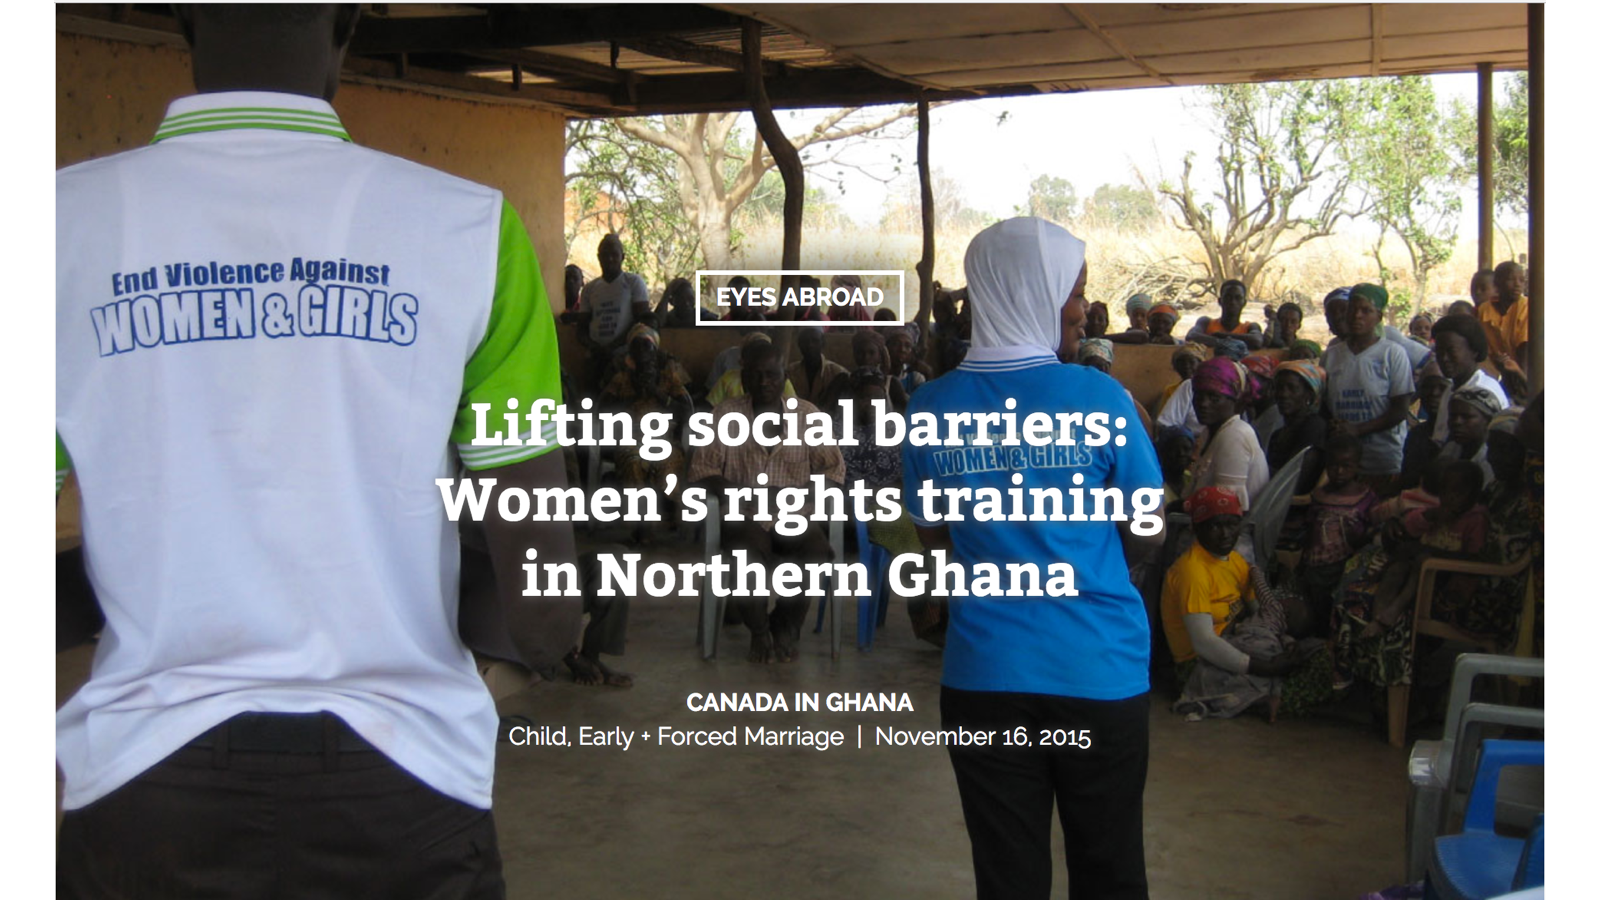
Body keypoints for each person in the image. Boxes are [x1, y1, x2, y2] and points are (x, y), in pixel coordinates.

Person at [54, 6, 576, 896]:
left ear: (184, 20)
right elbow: (547, 607)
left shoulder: (45, 227)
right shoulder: (471, 231)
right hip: (404, 788)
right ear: (347, 27)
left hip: (142, 796)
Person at [902, 217, 1162, 900]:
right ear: (1032, 290)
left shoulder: (929, 408)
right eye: (1072, 290)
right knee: (1109, 868)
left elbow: (936, 535)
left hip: (986, 675)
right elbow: (1147, 526)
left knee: (1008, 875)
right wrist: (1096, 566)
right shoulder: (1101, 399)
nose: (1081, 307)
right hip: (1098, 671)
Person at [688, 341, 845, 663]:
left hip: (795, 513)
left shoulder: (807, 415)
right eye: (755, 375)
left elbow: (834, 469)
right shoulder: (725, 414)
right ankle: (759, 631)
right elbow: (702, 470)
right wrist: (738, 492)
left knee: (816, 555)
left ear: (784, 376)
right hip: (745, 514)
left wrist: (803, 494)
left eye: (771, 375)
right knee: (744, 558)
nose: (763, 383)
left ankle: (784, 626)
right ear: (743, 377)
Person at [1160, 487, 1324, 721]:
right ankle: (1256, 700)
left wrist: (1284, 643)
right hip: (1201, 663)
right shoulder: (1192, 571)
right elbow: (1204, 643)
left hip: (1242, 644)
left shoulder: (1236, 562)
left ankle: (1254, 697)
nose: (1226, 534)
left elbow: (1261, 615)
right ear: (1196, 528)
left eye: (1232, 524)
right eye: (1215, 526)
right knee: (1287, 677)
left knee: (1319, 659)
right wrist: (1263, 667)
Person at [1321, 284, 1416, 485]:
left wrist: (1358, 429)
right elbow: (1324, 405)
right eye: (1352, 309)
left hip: (1382, 461)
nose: (1357, 316)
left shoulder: (1392, 354)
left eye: (1366, 310)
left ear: (1379, 317)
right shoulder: (1331, 356)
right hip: (1342, 463)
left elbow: (1400, 410)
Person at [1297, 434, 1377, 635]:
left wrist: (1359, 538)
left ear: (1358, 466)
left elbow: (1371, 534)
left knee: (1337, 607)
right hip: (1316, 564)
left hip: (1346, 566)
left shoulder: (1366, 498)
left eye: (1346, 466)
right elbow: (1311, 528)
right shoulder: (1320, 496)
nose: (1339, 471)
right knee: (1317, 606)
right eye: (1333, 465)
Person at [1184, 357, 1270, 512]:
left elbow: (1226, 507)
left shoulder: (1235, 435)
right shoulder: (1209, 432)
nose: (1203, 403)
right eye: (1199, 396)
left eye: (1214, 398)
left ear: (1236, 401)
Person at [1427, 313, 1508, 445]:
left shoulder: (1484, 391)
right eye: (1439, 352)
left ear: (1474, 351)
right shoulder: (1451, 389)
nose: (1444, 358)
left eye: (1451, 351)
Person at [1267, 359, 1328, 495]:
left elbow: (1294, 481)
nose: (1283, 394)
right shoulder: (1278, 434)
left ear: (1310, 395)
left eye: (1292, 388)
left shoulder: (1314, 427)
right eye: (1279, 388)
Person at [1435, 386, 1502, 486]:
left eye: (1467, 417)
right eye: (1453, 416)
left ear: (1488, 421)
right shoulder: (1451, 448)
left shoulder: (1493, 461)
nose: (1457, 422)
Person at [1477, 261, 1530, 365]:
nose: (1517, 285)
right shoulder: (1485, 309)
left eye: (1522, 280)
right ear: (1497, 283)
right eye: (1510, 279)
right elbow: (1484, 348)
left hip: (1523, 369)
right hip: (1496, 368)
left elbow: (1525, 350)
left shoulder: (1526, 306)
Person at [1185, 279, 1264, 349]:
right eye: (1228, 297)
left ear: (1244, 302)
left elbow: (1257, 341)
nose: (1232, 302)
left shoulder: (1250, 327)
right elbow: (1191, 336)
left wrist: (1220, 336)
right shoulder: (1206, 322)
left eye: (1238, 298)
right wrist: (1226, 343)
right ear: (1220, 301)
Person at [787, 325, 848, 405]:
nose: (810, 345)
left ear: (823, 343)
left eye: (815, 341)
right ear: (799, 344)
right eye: (805, 341)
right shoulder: (790, 372)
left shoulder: (837, 372)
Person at [1154, 343, 1206, 433]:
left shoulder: (1204, 388)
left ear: (1200, 364)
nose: (1186, 366)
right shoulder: (1170, 390)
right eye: (1181, 363)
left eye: (1191, 362)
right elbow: (1164, 423)